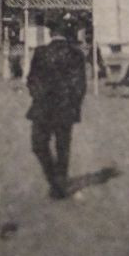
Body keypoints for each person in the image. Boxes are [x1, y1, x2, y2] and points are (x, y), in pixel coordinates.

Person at [26, 18, 87, 200]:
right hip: (65, 107)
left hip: (43, 107)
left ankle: (54, 180)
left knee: (38, 145)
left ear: (51, 33)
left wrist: (38, 97)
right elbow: (80, 85)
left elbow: (31, 80)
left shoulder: (41, 52)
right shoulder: (76, 54)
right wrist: (74, 105)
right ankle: (60, 181)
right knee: (63, 147)